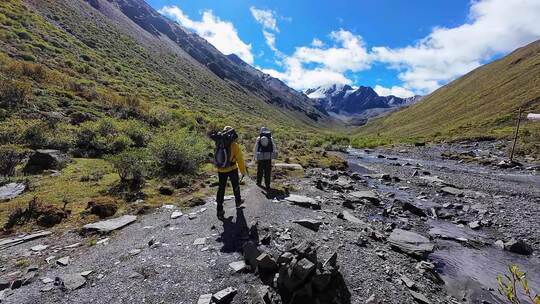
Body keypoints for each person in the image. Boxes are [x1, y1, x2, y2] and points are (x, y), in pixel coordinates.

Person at [211, 126, 248, 219]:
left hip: (221, 170)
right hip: (232, 168)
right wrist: (243, 171)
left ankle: (219, 210)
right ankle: (238, 201)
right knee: (235, 185)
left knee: (221, 188)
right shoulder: (234, 145)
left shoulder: (218, 143)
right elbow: (240, 159)